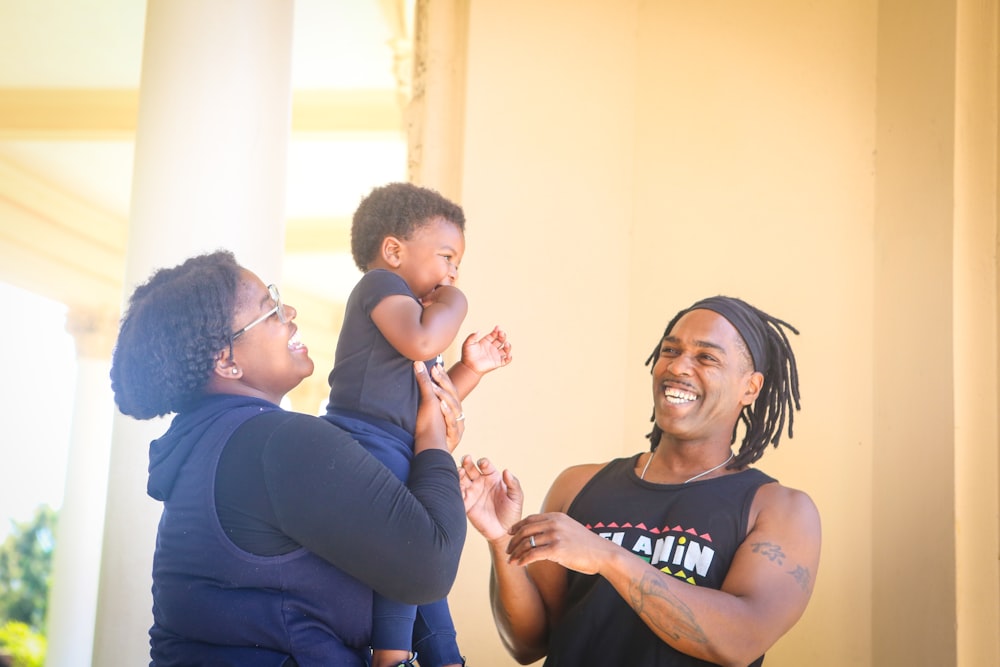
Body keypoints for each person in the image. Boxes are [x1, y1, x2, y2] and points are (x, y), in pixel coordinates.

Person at [109, 250, 470, 667]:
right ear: (226, 361)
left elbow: (390, 547)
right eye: (272, 310)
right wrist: (432, 440)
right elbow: (429, 564)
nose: (290, 312)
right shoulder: (276, 443)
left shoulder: (215, 445)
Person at [460, 296, 821, 666]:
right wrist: (501, 540)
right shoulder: (577, 485)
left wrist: (606, 556)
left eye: (706, 357)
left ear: (750, 387)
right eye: (670, 350)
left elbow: (741, 641)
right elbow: (528, 644)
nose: (678, 366)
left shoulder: (780, 510)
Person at [324, 182, 512, 667]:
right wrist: (458, 302)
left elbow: (429, 400)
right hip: (363, 440)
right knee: (410, 547)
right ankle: (393, 655)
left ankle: (443, 656)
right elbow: (424, 343)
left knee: (426, 558)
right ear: (393, 250)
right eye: (447, 258)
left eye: (458, 267)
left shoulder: (417, 315)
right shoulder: (381, 287)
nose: (452, 274)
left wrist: (471, 368)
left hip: (397, 443)